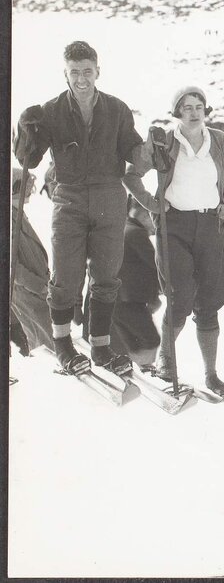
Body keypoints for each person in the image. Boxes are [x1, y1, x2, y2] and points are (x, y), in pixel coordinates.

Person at [14, 41, 145, 375]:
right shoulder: (52, 111)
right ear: (66, 74)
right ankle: (63, 346)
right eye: (75, 72)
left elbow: (133, 150)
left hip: (109, 198)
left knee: (106, 276)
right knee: (65, 278)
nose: (82, 79)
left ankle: (101, 349)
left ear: (97, 71)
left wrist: (152, 151)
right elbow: (28, 159)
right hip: (69, 199)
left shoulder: (117, 109)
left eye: (88, 71)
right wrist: (26, 132)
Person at [124, 86, 224, 395]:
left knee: (210, 300)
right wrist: (153, 205)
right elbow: (131, 175)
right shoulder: (164, 140)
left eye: (199, 106)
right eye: (187, 107)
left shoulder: (218, 140)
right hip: (174, 226)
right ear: (177, 111)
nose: (194, 112)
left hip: (209, 225)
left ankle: (211, 374)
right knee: (179, 295)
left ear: (205, 110)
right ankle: (167, 362)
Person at [109, 197, 162, 365]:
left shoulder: (124, 227)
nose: (154, 223)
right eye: (152, 216)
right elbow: (156, 265)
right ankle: (144, 370)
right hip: (128, 301)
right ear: (142, 213)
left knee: (132, 343)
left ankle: (139, 370)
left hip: (117, 300)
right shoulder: (136, 232)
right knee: (151, 340)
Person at [9, 168, 55, 356]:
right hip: (27, 292)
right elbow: (12, 268)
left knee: (45, 341)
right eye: (27, 185)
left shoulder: (16, 213)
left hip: (33, 291)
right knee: (45, 345)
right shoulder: (9, 218)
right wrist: (38, 286)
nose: (31, 190)